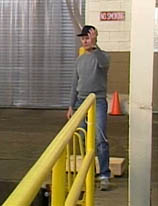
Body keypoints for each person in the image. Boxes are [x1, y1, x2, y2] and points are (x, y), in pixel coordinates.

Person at [66, 25, 111, 191]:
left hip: (97, 101)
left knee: (100, 138)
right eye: (83, 38)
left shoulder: (102, 56)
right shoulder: (79, 60)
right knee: (82, 137)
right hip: (80, 102)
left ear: (94, 38)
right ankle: (88, 171)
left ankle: (104, 174)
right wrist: (71, 105)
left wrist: (95, 46)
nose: (85, 41)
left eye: (88, 38)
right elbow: (74, 84)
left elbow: (103, 63)